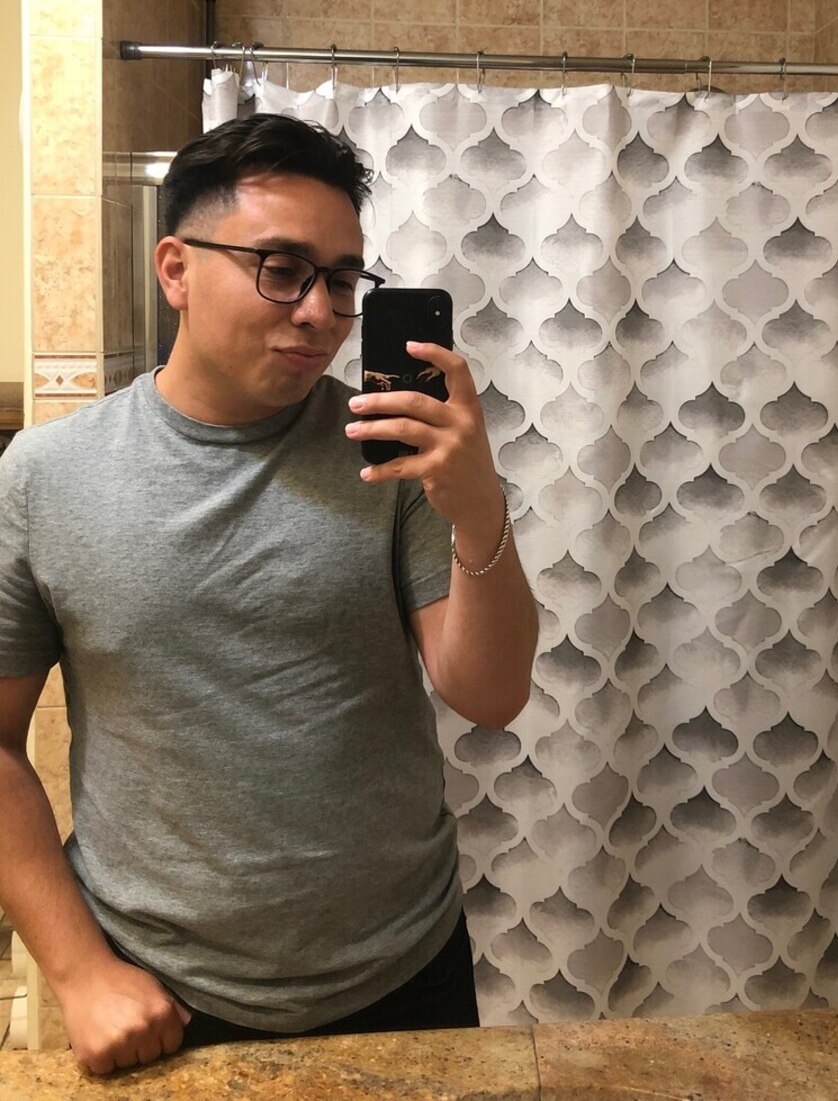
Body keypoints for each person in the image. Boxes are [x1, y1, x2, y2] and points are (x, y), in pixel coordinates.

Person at [0, 115, 538, 1076]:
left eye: (341, 280)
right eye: (282, 269)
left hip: (404, 971)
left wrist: (478, 507)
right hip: (159, 988)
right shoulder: (44, 478)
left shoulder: (392, 457)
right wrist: (79, 973)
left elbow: (490, 695)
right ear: (176, 269)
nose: (320, 312)